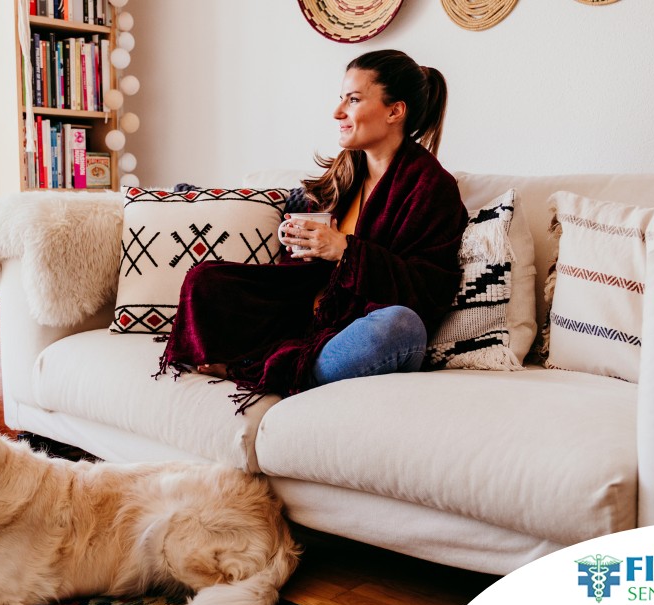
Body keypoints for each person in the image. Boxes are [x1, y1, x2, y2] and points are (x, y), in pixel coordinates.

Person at [157, 49, 468, 412]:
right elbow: (309, 272)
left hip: (363, 330)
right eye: (341, 99)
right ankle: (274, 363)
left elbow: (429, 290)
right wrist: (301, 245)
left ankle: (274, 371)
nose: (337, 113)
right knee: (206, 279)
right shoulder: (343, 174)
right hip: (308, 317)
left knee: (400, 326)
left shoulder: (431, 188)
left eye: (353, 100)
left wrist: (346, 251)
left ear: (394, 111)